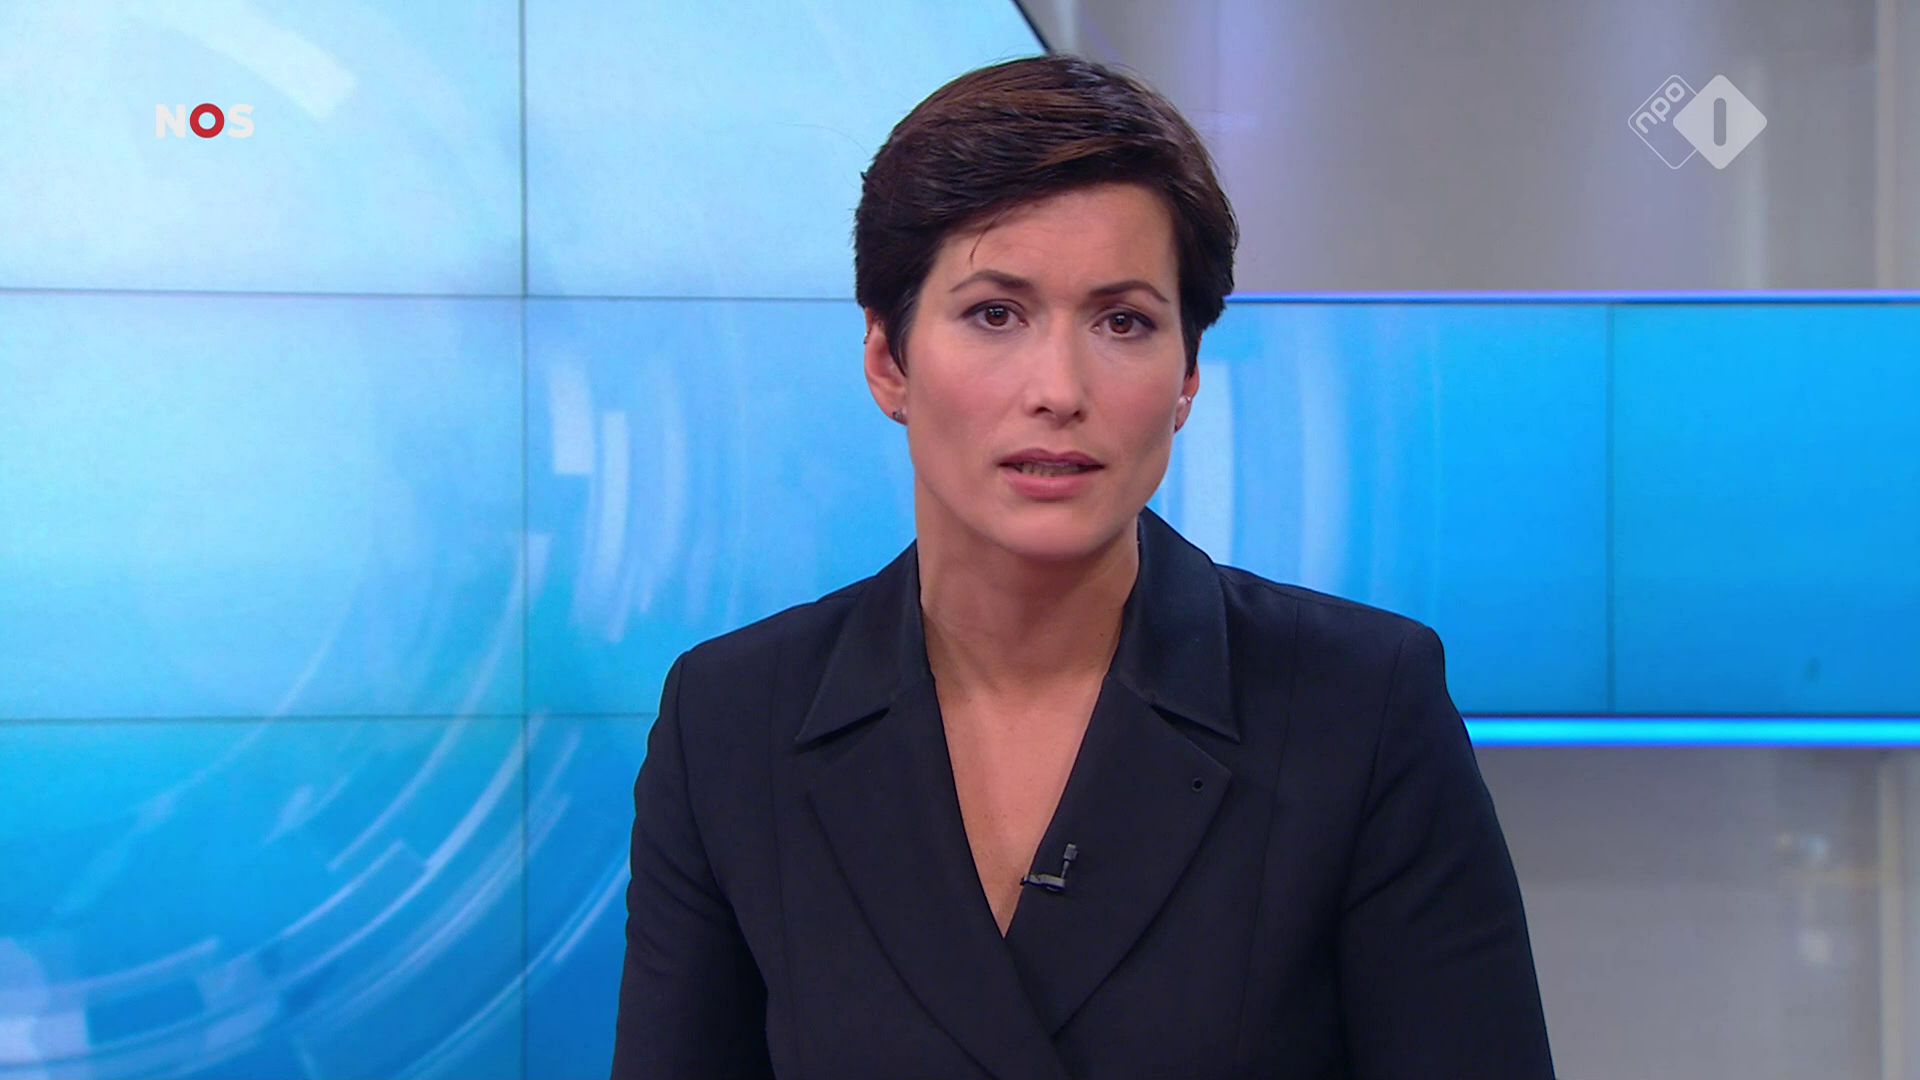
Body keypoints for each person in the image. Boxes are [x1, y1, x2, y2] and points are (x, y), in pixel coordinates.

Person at [610, 54, 1554, 1080]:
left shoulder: (1360, 707)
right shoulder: (733, 722)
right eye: (995, 313)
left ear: (1187, 377)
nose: (1059, 388)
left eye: (1123, 322)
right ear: (888, 360)